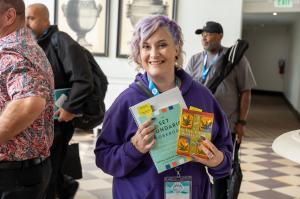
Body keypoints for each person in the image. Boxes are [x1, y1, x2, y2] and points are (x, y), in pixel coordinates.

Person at [94, 15, 232, 199]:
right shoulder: (127, 101)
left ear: (176, 48)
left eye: (162, 45)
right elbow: (104, 157)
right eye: (146, 46)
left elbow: (225, 149)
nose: (154, 54)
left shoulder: (202, 97)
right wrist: (134, 148)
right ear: (138, 53)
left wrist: (218, 161)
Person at [26, 3, 94, 199]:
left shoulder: (61, 40)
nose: (27, 24)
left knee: (51, 170)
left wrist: (69, 108)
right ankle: (66, 187)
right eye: (26, 19)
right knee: (48, 168)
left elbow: (83, 79)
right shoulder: (36, 43)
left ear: (46, 20)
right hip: (41, 122)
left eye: (32, 18)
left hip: (58, 121)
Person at [185, 21, 257, 199]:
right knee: (194, 165)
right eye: (202, 34)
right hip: (197, 123)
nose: (204, 37)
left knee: (222, 169)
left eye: (208, 34)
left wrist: (241, 122)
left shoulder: (235, 59)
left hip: (225, 125)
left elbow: (246, 92)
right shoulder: (195, 59)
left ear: (220, 36)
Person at [0, 0, 54, 198]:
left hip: (13, 175)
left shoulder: (13, 51)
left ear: (9, 16)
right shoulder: (25, 46)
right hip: (23, 172)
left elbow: (28, 102)